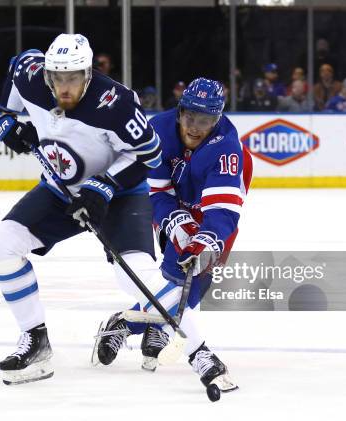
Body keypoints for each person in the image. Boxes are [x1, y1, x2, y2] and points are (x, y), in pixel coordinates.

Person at [0, 34, 162, 386]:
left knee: (136, 277)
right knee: (3, 241)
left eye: (73, 78)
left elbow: (151, 156)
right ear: (47, 74)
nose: (64, 87)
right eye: (58, 78)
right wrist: (9, 124)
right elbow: (19, 66)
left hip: (120, 194)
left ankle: (148, 318)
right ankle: (35, 341)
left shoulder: (117, 103)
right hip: (59, 190)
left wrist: (106, 186)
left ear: (89, 73)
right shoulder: (31, 76)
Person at [94, 77, 252, 393]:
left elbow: (222, 210)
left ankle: (128, 322)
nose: (194, 127)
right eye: (189, 116)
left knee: (194, 284)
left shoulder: (228, 149)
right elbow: (157, 191)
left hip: (213, 213)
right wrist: (177, 223)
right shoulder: (160, 131)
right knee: (172, 276)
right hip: (172, 204)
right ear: (180, 111)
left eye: (204, 120)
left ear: (217, 118)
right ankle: (161, 327)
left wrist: (205, 239)